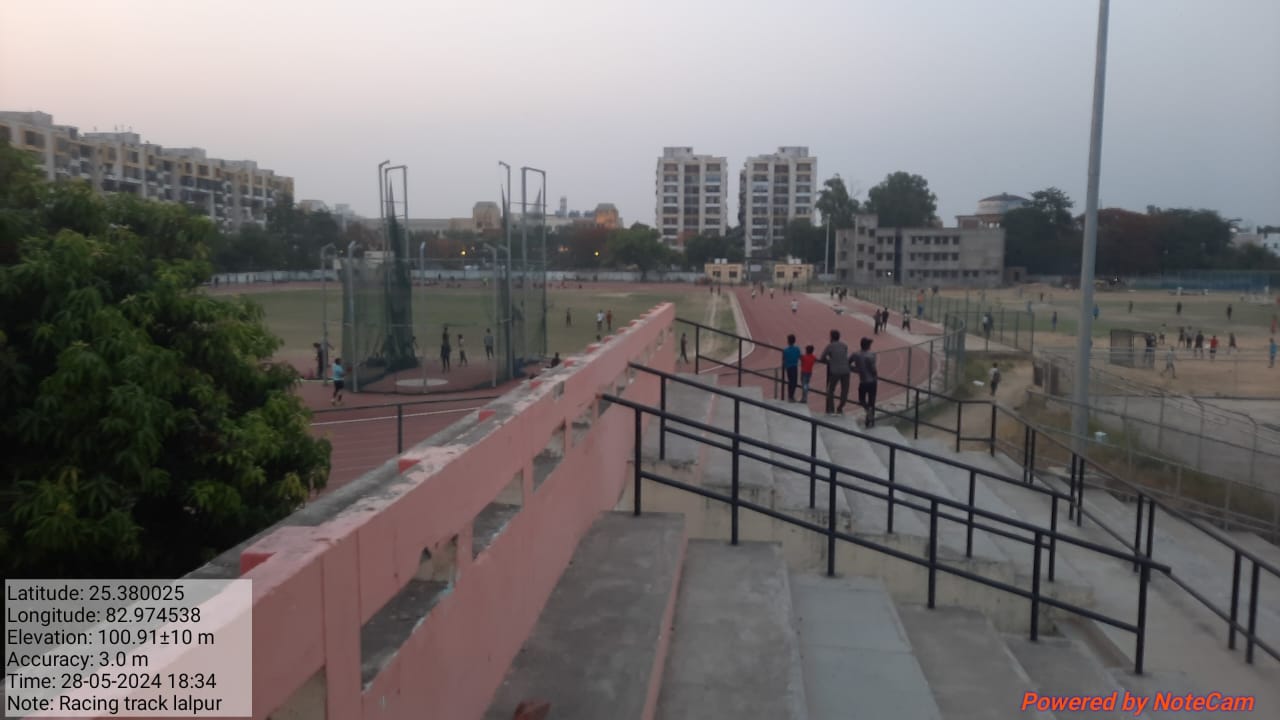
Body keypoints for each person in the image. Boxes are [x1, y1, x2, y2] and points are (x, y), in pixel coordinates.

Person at [820, 330, 851, 416]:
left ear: (831, 337)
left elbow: (822, 358)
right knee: (844, 391)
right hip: (846, 370)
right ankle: (840, 408)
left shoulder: (830, 346)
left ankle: (831, 409)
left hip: (835, 371)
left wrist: (830, 361)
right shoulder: (844, 346)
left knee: (830, 390)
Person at [851, 337, 879, 427]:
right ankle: (870, 420)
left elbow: (848, 363)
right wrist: (875, 375)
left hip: (863, 381)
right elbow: (873, 369)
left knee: (861, 400)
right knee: (872, 402)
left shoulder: (855, 354)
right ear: (867, 345)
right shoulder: (872, 354)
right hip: (872, 381)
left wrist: (855, 369)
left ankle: (868, 412)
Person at [782, 334, 801, 402]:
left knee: (790, 381)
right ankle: (791, 396)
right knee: (794, 382)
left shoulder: (785, 350)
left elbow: (784, 359)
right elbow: (800, 356)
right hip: (794, 367)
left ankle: (790, 396)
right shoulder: (797, 349)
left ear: (788, 341)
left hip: (788, 367)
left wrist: (784, 366)